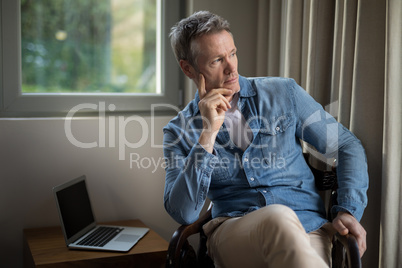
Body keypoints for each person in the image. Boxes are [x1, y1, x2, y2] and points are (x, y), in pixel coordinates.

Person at [163, 10, 368, 267]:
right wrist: (208, 133)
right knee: (277, 218)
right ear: (188, 68)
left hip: (309, 230)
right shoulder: (178, 130)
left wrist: (348, 209)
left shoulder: (283, 93)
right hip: (234, 232)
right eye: (217, 60)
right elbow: (184, 211)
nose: (232, 67)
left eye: (233, 53)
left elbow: (346, 145)